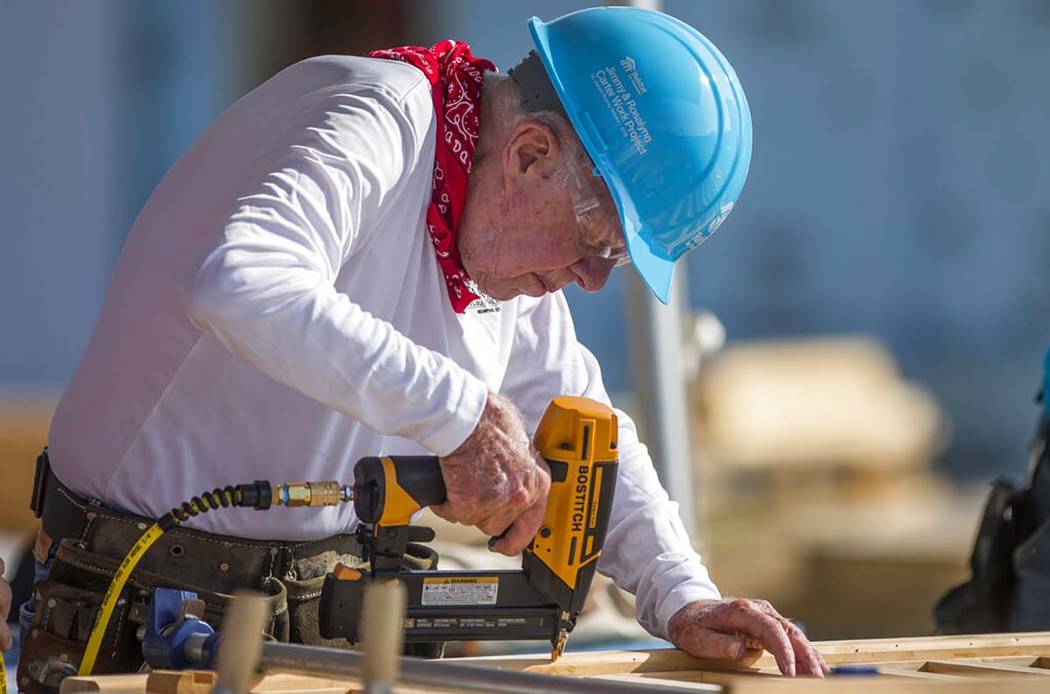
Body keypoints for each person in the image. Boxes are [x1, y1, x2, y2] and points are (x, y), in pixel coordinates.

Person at [20, 7, 826, 691]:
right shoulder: (375, 118)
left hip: (307, 624)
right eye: (597, 243)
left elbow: (583, 425)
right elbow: (241, 282)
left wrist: (681, 595)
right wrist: (462, 416)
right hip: (128, 602)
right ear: (530, 154)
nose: (588, 280)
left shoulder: (502, 251)